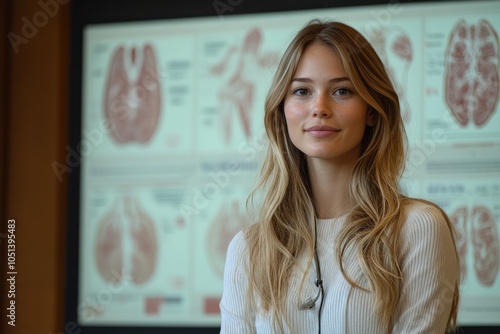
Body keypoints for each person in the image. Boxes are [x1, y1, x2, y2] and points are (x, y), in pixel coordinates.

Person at [219, 20, 460, 334]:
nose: (319, 107)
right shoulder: (249, 249)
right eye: (302, 91)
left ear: (372, 110)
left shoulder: (418, 229)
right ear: (283, 109)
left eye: (342, 91)